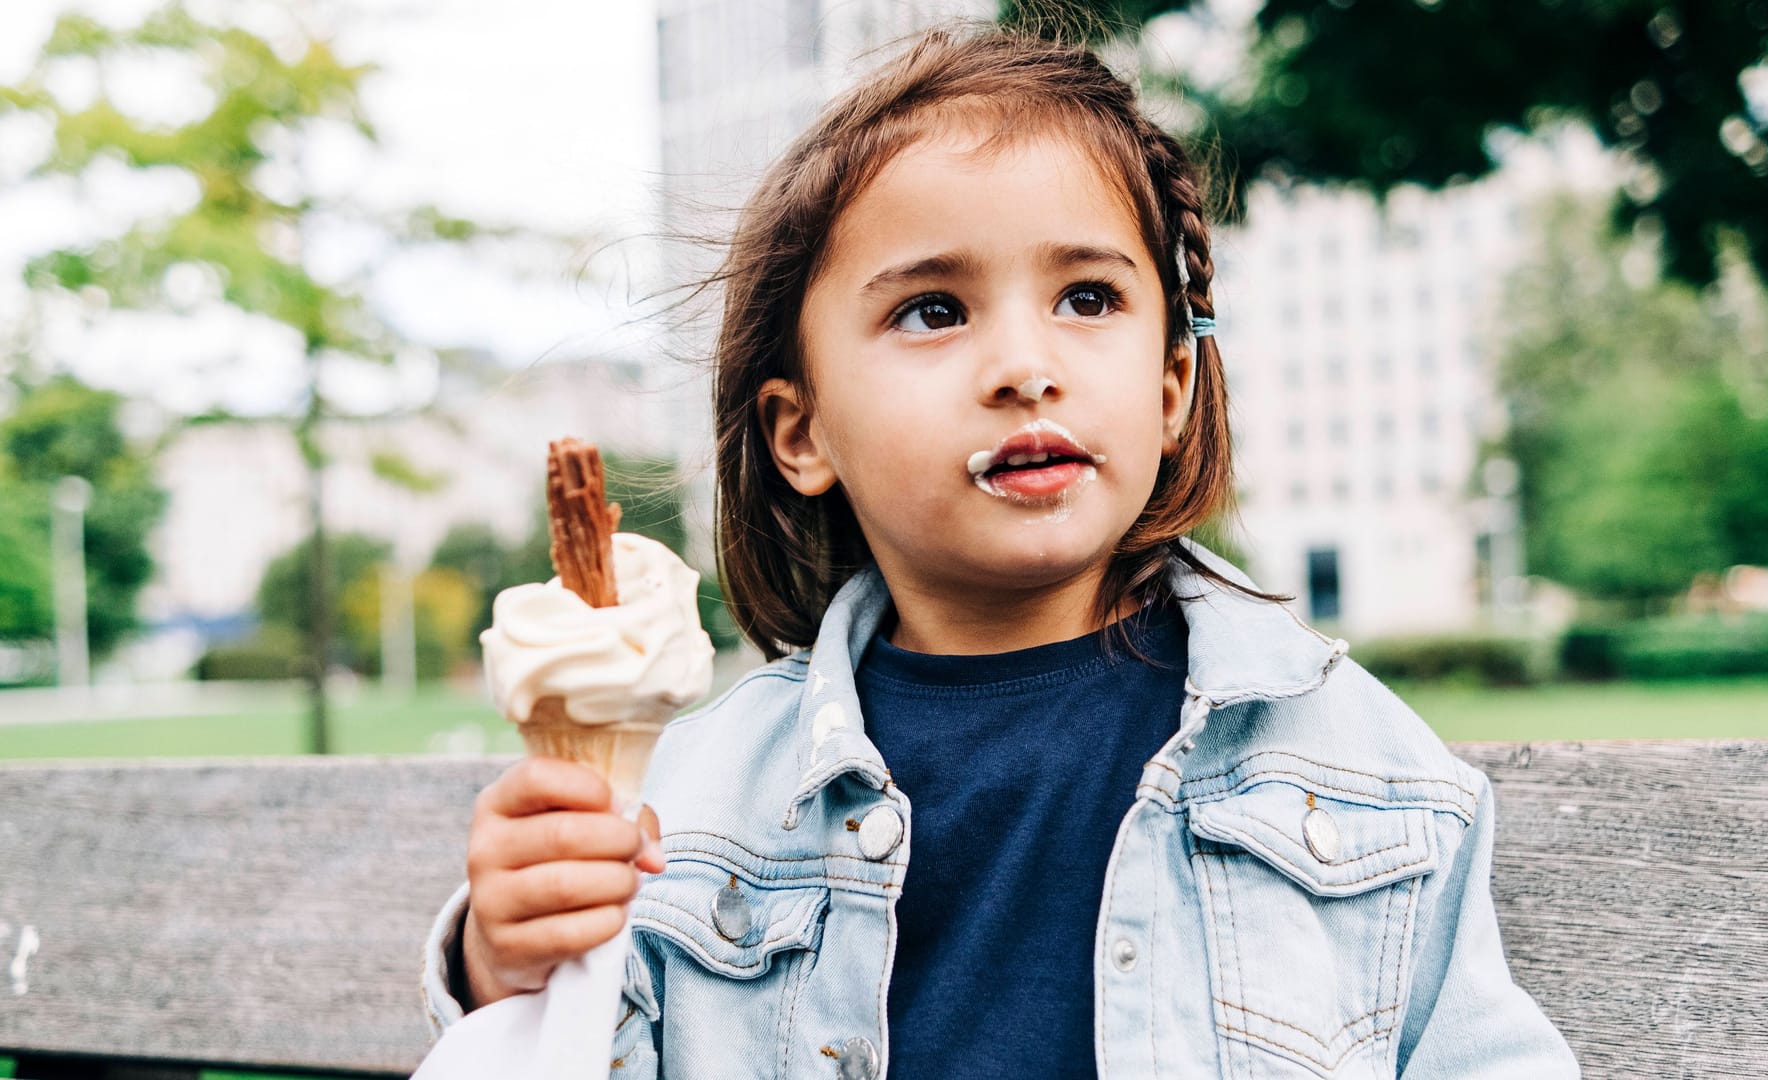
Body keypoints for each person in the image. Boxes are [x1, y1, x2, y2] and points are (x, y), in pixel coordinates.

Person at [422, 20, 1581, 1079]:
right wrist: (508, 967)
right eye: (933, 310)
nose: (1026, 364)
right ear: (802, 429)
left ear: (1172, 386)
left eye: (1088, 298)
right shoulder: (699, 801)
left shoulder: (1360, 762)